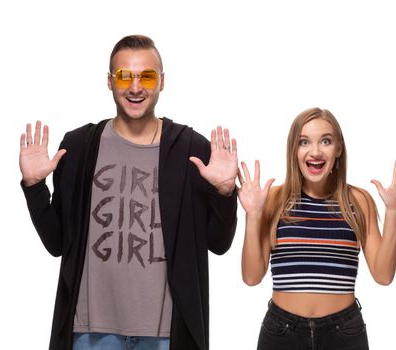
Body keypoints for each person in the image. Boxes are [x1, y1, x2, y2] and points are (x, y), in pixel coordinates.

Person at [19, 35, 238, 350]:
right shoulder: (79, 147)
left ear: (162, 82)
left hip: (166, 335)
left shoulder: (192, 149)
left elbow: (218, 244)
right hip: (89, 332)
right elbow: (57, 244)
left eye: (146, 76)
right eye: (125, 76)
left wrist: (225, 193)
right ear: (110, 82)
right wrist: (34, 187)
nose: (136, 88)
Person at [237, 107, 396, 350]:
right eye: (304, 142)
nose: (315, 151)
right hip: (282, 332)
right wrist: (253, 216)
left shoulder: (358, 201)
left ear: (338, 149)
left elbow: (383, 275)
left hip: (343, 333)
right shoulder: (273, 200)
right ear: (294, 150)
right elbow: (251, 277)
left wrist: (392, 214)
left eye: (326, 141)